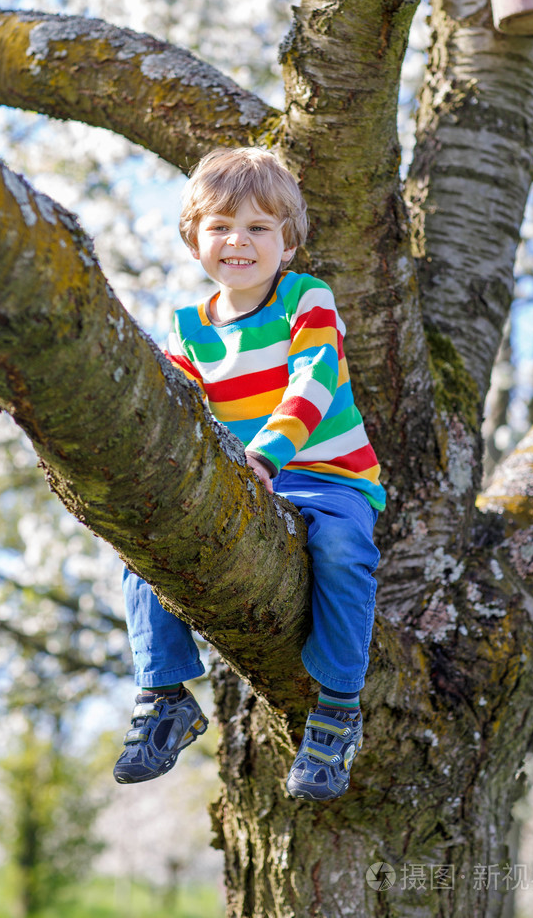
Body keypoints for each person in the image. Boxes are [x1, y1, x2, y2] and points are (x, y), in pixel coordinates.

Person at [113, 147, 385, 801]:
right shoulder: (186, 329)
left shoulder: (305, 298)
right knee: (142, 541)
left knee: (344, 551)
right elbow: (180, 418)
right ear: (194, 241)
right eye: (221, 226)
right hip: (245, 481)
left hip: (326, 474)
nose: (239, 239)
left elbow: (314, 379)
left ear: (287, 245)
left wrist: (263, 454)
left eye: (260, 227)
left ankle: (339, 706)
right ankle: (165, 691)